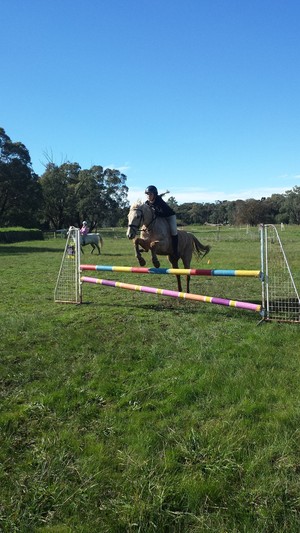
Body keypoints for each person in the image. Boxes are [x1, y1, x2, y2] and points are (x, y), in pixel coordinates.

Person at [145, 185, 179, 258]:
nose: (148, 196)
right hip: (160, 217)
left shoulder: (159, 201)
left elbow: (163, 212)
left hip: (169, 216)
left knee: (173, 231)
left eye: (150, 194)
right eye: (147, 194)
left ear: (154, 195)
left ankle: (175, 251)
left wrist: (155, 213)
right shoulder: (147, 203)